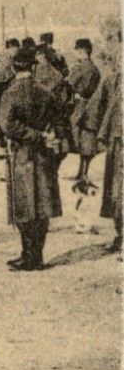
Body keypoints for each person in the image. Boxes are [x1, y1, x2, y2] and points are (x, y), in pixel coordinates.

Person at [0, 47, 65, 271]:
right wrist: (48, 136)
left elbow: (7, 125)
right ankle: (36, 256)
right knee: (42, 204)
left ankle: (29, 255)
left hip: (23, 154)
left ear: (13, 68)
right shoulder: (46, 92)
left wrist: (34, 136)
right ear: (33, 66)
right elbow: (59, 121)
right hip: (44, 154)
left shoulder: (10, 93)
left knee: (25, 204)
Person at [79, 57, 122, 253]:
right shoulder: (114, 79)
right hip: (118, 142)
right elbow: (97, 106)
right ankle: (121, 235)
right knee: (117, 190)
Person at [68, 39, 103, 183]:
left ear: (82, 51)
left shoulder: (80, 68)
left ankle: (82, 173)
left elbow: (69, 84)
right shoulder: (95, 69)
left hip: (79, 105)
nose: (75, 53)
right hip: (91, 107)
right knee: (88, 140)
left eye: (76, 50)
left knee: (78, 138)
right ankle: (83, 172)